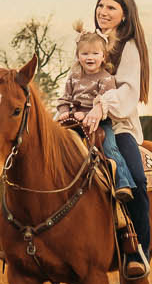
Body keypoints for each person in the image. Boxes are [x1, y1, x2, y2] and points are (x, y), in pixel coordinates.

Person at [92, 0, 152, 280]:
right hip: (83, 122)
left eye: (111, 8)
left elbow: (128, 92)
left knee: (137, 179)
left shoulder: (128, 48)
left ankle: (139, 249)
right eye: (101, 5)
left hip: (118, 125)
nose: (104, 12)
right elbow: (72, 80)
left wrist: (101, 106)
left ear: (125, 15)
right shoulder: (87, 42)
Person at [52, 27, 137, 202]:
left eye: (95, 53)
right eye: (84, 54)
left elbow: (105, 103)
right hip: (73, 122)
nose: (90, 58)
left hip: (100, 123)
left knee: (110, 148)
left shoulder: (106, 79)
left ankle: (123, 182)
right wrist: (63, 112)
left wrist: (88, 114)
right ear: (78, 56)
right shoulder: (73, 78)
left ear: (103, 57)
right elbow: (64, 99)